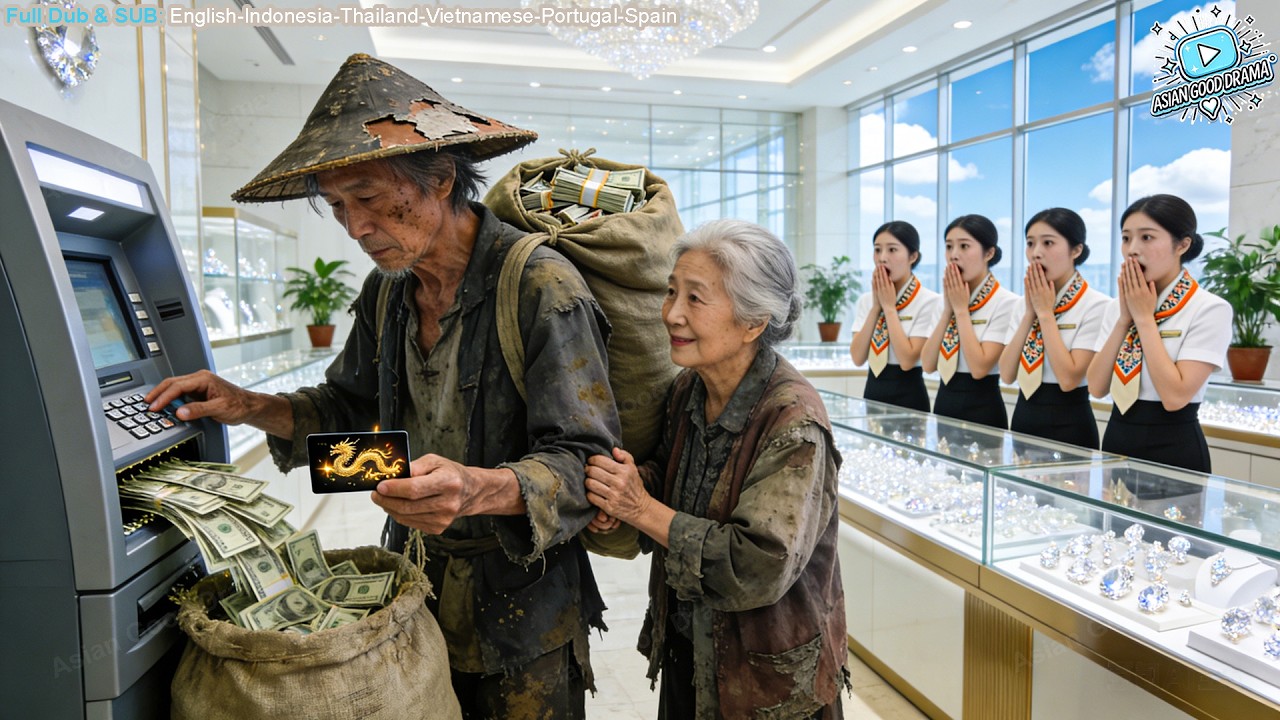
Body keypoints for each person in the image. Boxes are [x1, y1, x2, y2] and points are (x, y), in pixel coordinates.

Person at [146, 54, 621, 719]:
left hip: (526, 618)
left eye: (367, 198)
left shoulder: (542, 287)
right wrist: (247, 405)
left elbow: (588, 464)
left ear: (442, 177)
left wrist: (476, 489)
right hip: (411, 597)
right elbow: (347, 409)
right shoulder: (387, 293)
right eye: (338, 206)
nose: (356, 227)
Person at [583, 220, 848, 719]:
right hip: (694, 649)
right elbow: (675, 480)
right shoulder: (689, 389)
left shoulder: (793, 423)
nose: (671, 314)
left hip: (767, 683)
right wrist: (629, 490)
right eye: (670, 293)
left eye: (696, 299)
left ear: (753, 321)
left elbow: (757, 565)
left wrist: (641, 509)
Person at [1087, 194, 1231, 479]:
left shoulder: (1209, 308)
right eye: (1126, 238)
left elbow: (1175, 396)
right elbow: (1096, 386)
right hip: (1117, 438)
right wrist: (1125, 319)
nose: (1132, 250)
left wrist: (1143, 319)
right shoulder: (1117, 307)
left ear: (1183, 244)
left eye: (1147, 238)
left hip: (1173, 446)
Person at [998, 209, 1110, 448]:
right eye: (1030, 243)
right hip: (1023, 417)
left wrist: (1046, 314)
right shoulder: (1023, 305)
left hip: (1069, 423)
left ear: (1076, 250)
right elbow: (1007, 374)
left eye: (1048, 243)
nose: (1036, 253)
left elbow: (1069, 379)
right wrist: (1030, 313)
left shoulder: (1097, 305)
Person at [922, 214, 1022, 429]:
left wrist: (960, 311)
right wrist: (949, 309)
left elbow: (979, 368)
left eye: (964, 246)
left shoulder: (1006, 303)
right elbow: (928, 364)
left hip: (983, 407)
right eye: (949, 247)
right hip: (943, 402)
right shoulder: (944, 302)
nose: (954, 255)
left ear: (989, 253)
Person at [849, 220, 942, 412]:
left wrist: (889, 309)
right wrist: (876, 308)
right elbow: (857, 357)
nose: (882, 258)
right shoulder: (867, 301)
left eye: (892, 250)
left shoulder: (929, 301)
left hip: (909, 395)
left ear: (913, 256)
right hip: (872, 391)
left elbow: (908, 360)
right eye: (877, 250)